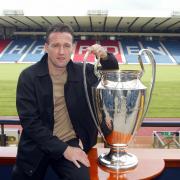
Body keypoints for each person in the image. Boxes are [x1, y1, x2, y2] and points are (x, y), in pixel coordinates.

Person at [12, 23, 119, 180]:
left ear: (73, 47)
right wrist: (63, 150)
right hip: (37, 145)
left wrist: (104, 56)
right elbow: (30, 123)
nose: (61, 52)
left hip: (71, 142)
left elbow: (111, 72)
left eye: (66, 46)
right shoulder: (29, 77)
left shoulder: (84, 72)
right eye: (55, 45)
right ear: (46, 47)